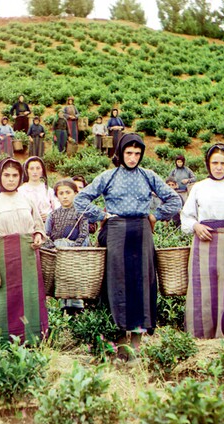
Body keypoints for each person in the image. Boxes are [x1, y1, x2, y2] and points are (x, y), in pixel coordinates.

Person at [74, 133, 182, 360]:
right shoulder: (109, 176)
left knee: (141, 285)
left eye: (137, 153)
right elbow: (80, 199)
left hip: (141, 233)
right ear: (121, 153)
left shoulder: (148, 176)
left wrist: (155, 216)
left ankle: (137, 345)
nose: (133, 158)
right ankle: (119, 344)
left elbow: (175, 200)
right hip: (116, 232)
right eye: (128, 153)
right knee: (117, 284)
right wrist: (101, 214)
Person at [180, 143, 224, 339]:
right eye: (214, 163)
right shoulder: (199, 187)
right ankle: (200, 336)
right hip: (204, 244)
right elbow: (186, 216)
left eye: (223, 163)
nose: (218, 167)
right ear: (208, 164)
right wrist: (196, 226)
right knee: (203, 289)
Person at [0, 158, 48, 343]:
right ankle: (3, 341)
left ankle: (34, 340)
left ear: (21, 177)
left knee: (31, 298)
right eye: (6, 175)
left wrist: (37, 236)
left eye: (15, 175)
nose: (10, 179)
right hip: (4, 258)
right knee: (5, 300)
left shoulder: (27, 200)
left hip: (28, 258)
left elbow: (38, 226)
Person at [43, 179, 89, 249]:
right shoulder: (52, 215)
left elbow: (83, 234)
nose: (65, 196)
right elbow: (46, 235)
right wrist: (53, 248)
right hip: (56, 250)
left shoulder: (81, 213)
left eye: (68, 193)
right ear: (57, 196)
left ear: (75, 193)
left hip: (77, 251)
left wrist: (73, 249)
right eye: (61, 193)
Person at [18, 156, 59, 222]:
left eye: (38, 168)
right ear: (26, 170)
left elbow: (58, 208)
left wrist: (49, 215)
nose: (35, 172)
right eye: (31, 168)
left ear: (42, 170)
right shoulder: (21, 191)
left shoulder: (48, 190)